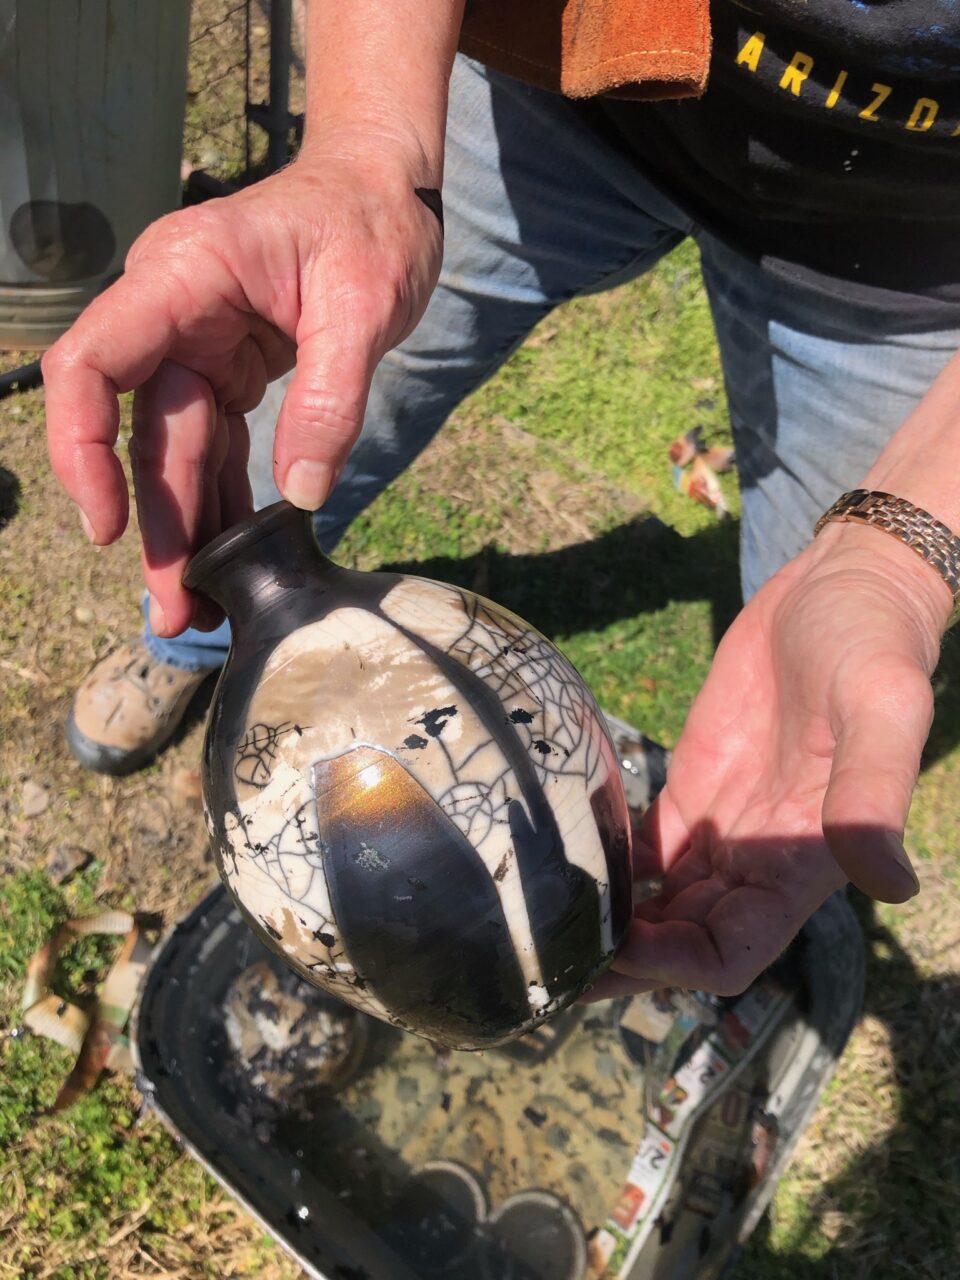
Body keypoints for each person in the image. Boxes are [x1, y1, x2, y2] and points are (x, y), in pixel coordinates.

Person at [43, 0, 960, 1004]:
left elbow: (871, 559)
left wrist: (893, 551)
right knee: (290, 421)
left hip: (917, 248)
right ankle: (188, 642)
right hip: (561, 75)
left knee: (808, 632)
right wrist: (366, 146)